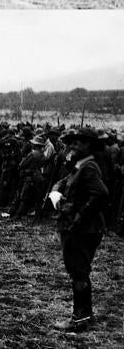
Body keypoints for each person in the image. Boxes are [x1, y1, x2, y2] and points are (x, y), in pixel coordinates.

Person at [51, 127, 110, 332]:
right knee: (80, 271)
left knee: (79, 272)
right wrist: (56, 190)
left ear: (88, 145)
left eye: (78, 142)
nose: (73, 146)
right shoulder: (79, 166)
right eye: (71, 142)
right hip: (80, 227)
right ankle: (86, 315)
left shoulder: (89, 167)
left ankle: (79, 319)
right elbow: (65, 181)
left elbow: (101, 194)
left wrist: (79, 216)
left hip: (83, 229)